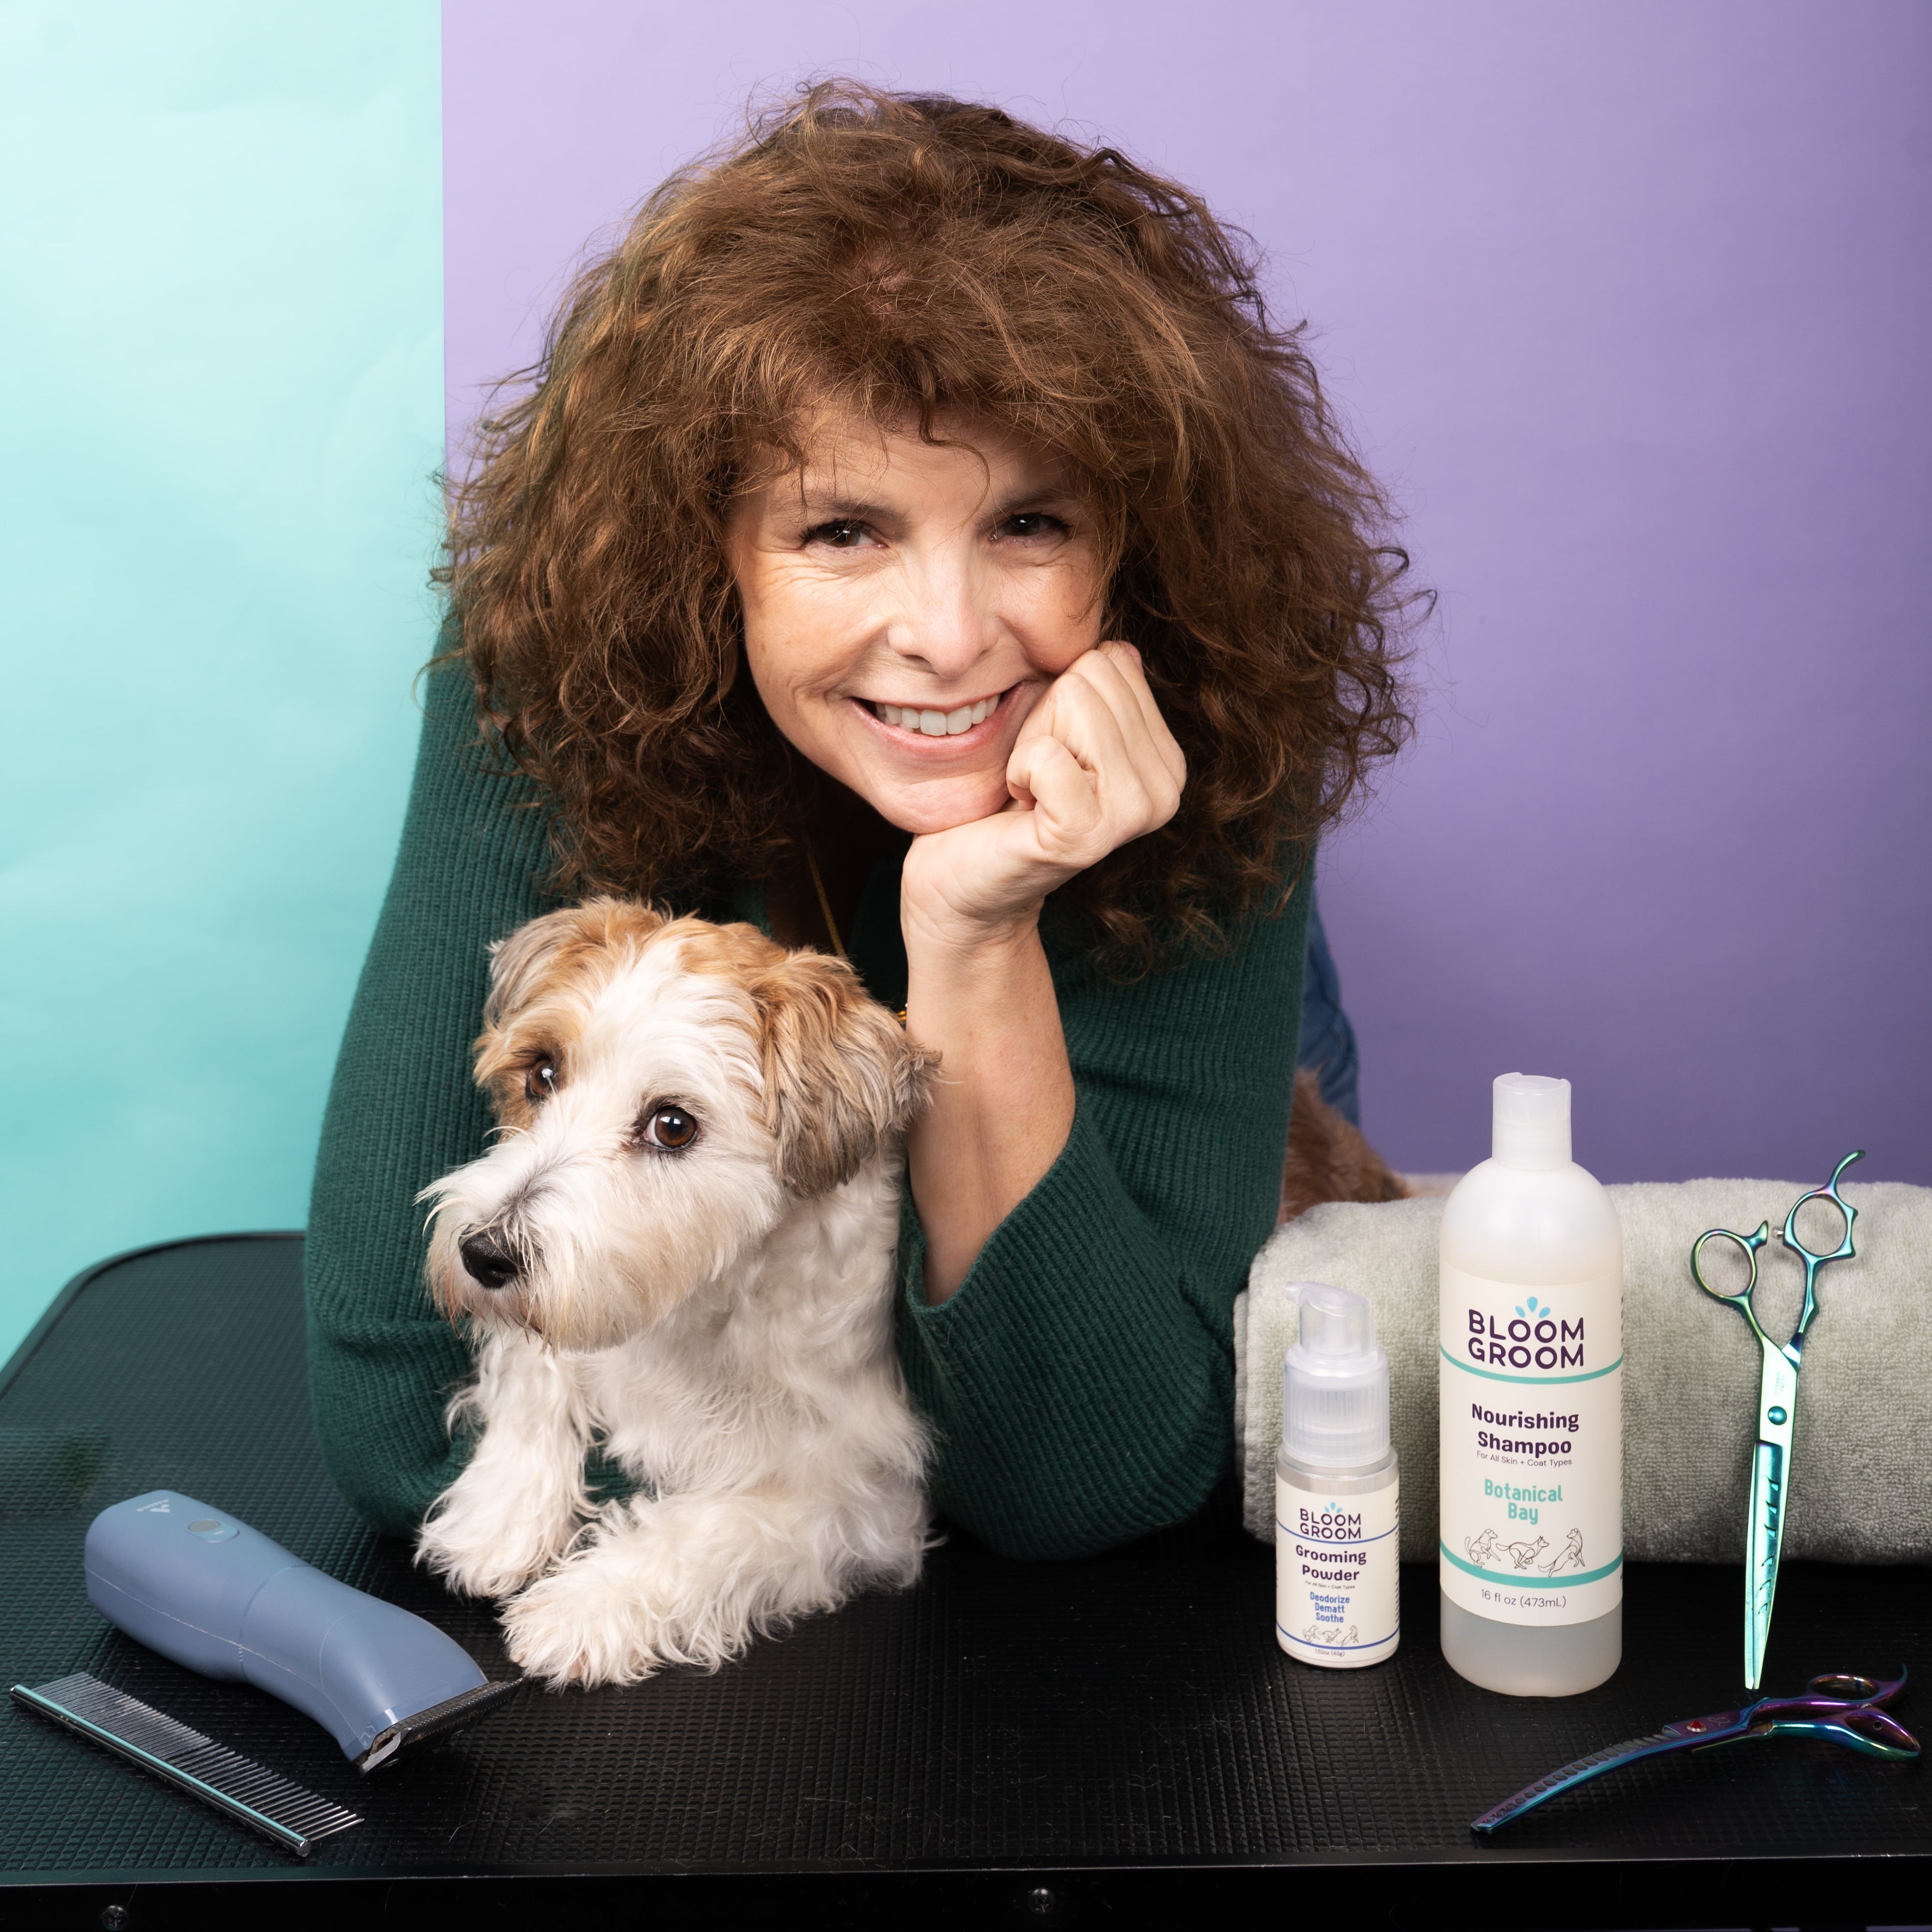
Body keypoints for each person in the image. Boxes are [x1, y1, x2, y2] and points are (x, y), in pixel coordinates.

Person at [305, 85, 1409, 1563]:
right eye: (842, 530)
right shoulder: (556, 665)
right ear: (705, 550)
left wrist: (977, 932)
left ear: (1136, 544)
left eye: (1031, 523)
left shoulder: (1217, 717)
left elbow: (1101, 1475)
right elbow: (400, 1413)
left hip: (1205, 1086)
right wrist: (830, 1485)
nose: (948, 638)